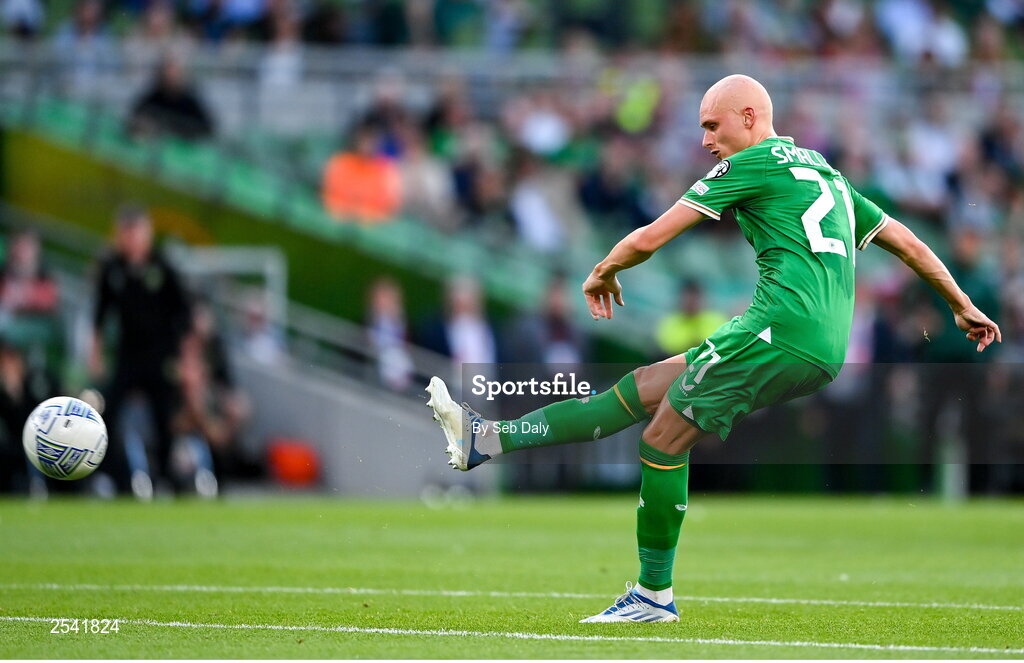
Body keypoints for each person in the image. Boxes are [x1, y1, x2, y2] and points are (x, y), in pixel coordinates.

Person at [426, 74, 1001, 623]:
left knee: (662, 437)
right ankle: (486, 439)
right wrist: (958, 303)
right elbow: (906, 240)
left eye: (711, 126)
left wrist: (602, 270)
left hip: (782, 329)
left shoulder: (751, 163)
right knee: (642, 389)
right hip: (815, 339)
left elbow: (653, 236)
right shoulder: (824, 171)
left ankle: (653, 593)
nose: (705, 141)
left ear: (750, 118)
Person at [92, 205, 192, 495]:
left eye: (137, 230)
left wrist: (185, 359)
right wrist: (95, 353)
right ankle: (111, 477)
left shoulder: (162, 266)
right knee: (108, 412)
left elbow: (183, 314)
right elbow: (100, 313)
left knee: (164, 418)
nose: (132, 237)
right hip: (127, 355)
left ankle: (166, 479)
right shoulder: (112, 268)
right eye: (127, 231)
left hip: (161, 356)